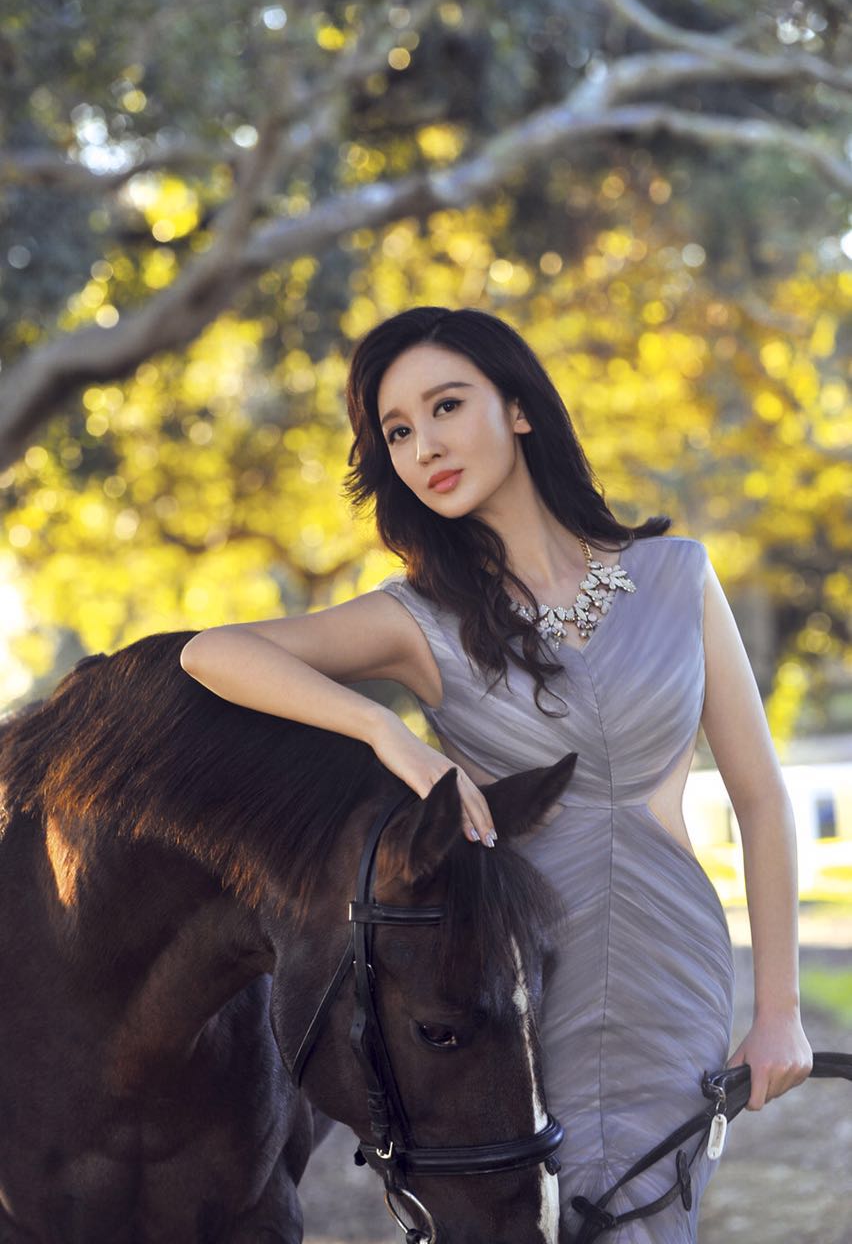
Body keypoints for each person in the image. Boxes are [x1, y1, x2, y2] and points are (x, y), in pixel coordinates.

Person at [180, 305, 813, 1240]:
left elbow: (761, 801)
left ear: (518, 408)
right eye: (398, 432)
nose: (424, 446)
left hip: (674, 968)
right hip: (512, 980)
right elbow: (209, 653)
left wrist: (779, 1012)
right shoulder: (416, 619)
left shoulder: (677, 575)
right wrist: (384, 731)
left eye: (446, 406)